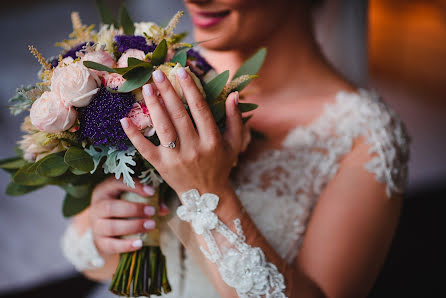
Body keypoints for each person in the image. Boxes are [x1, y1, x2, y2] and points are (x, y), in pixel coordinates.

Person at [62, 0, 410, 297]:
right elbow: (101, 266)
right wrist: (103, 231)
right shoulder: (172, 72)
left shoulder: (368, 136)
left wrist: (206, 190)